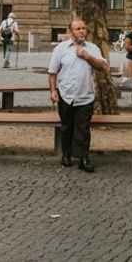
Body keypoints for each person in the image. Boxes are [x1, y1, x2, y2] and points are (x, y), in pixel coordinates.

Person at [49, 19, 109, 172]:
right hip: (66, 95)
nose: (82, 31)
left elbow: (103, 67)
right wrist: (53, 91)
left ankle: (84, 159)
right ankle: (66, 155)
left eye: (84, 28)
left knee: (83, 129)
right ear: (71, 32)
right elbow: (52, 73)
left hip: (85, 96)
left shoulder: (93, 48)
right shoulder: (60, 49)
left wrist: (87, 56)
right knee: (66, 128)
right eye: (78, 29)